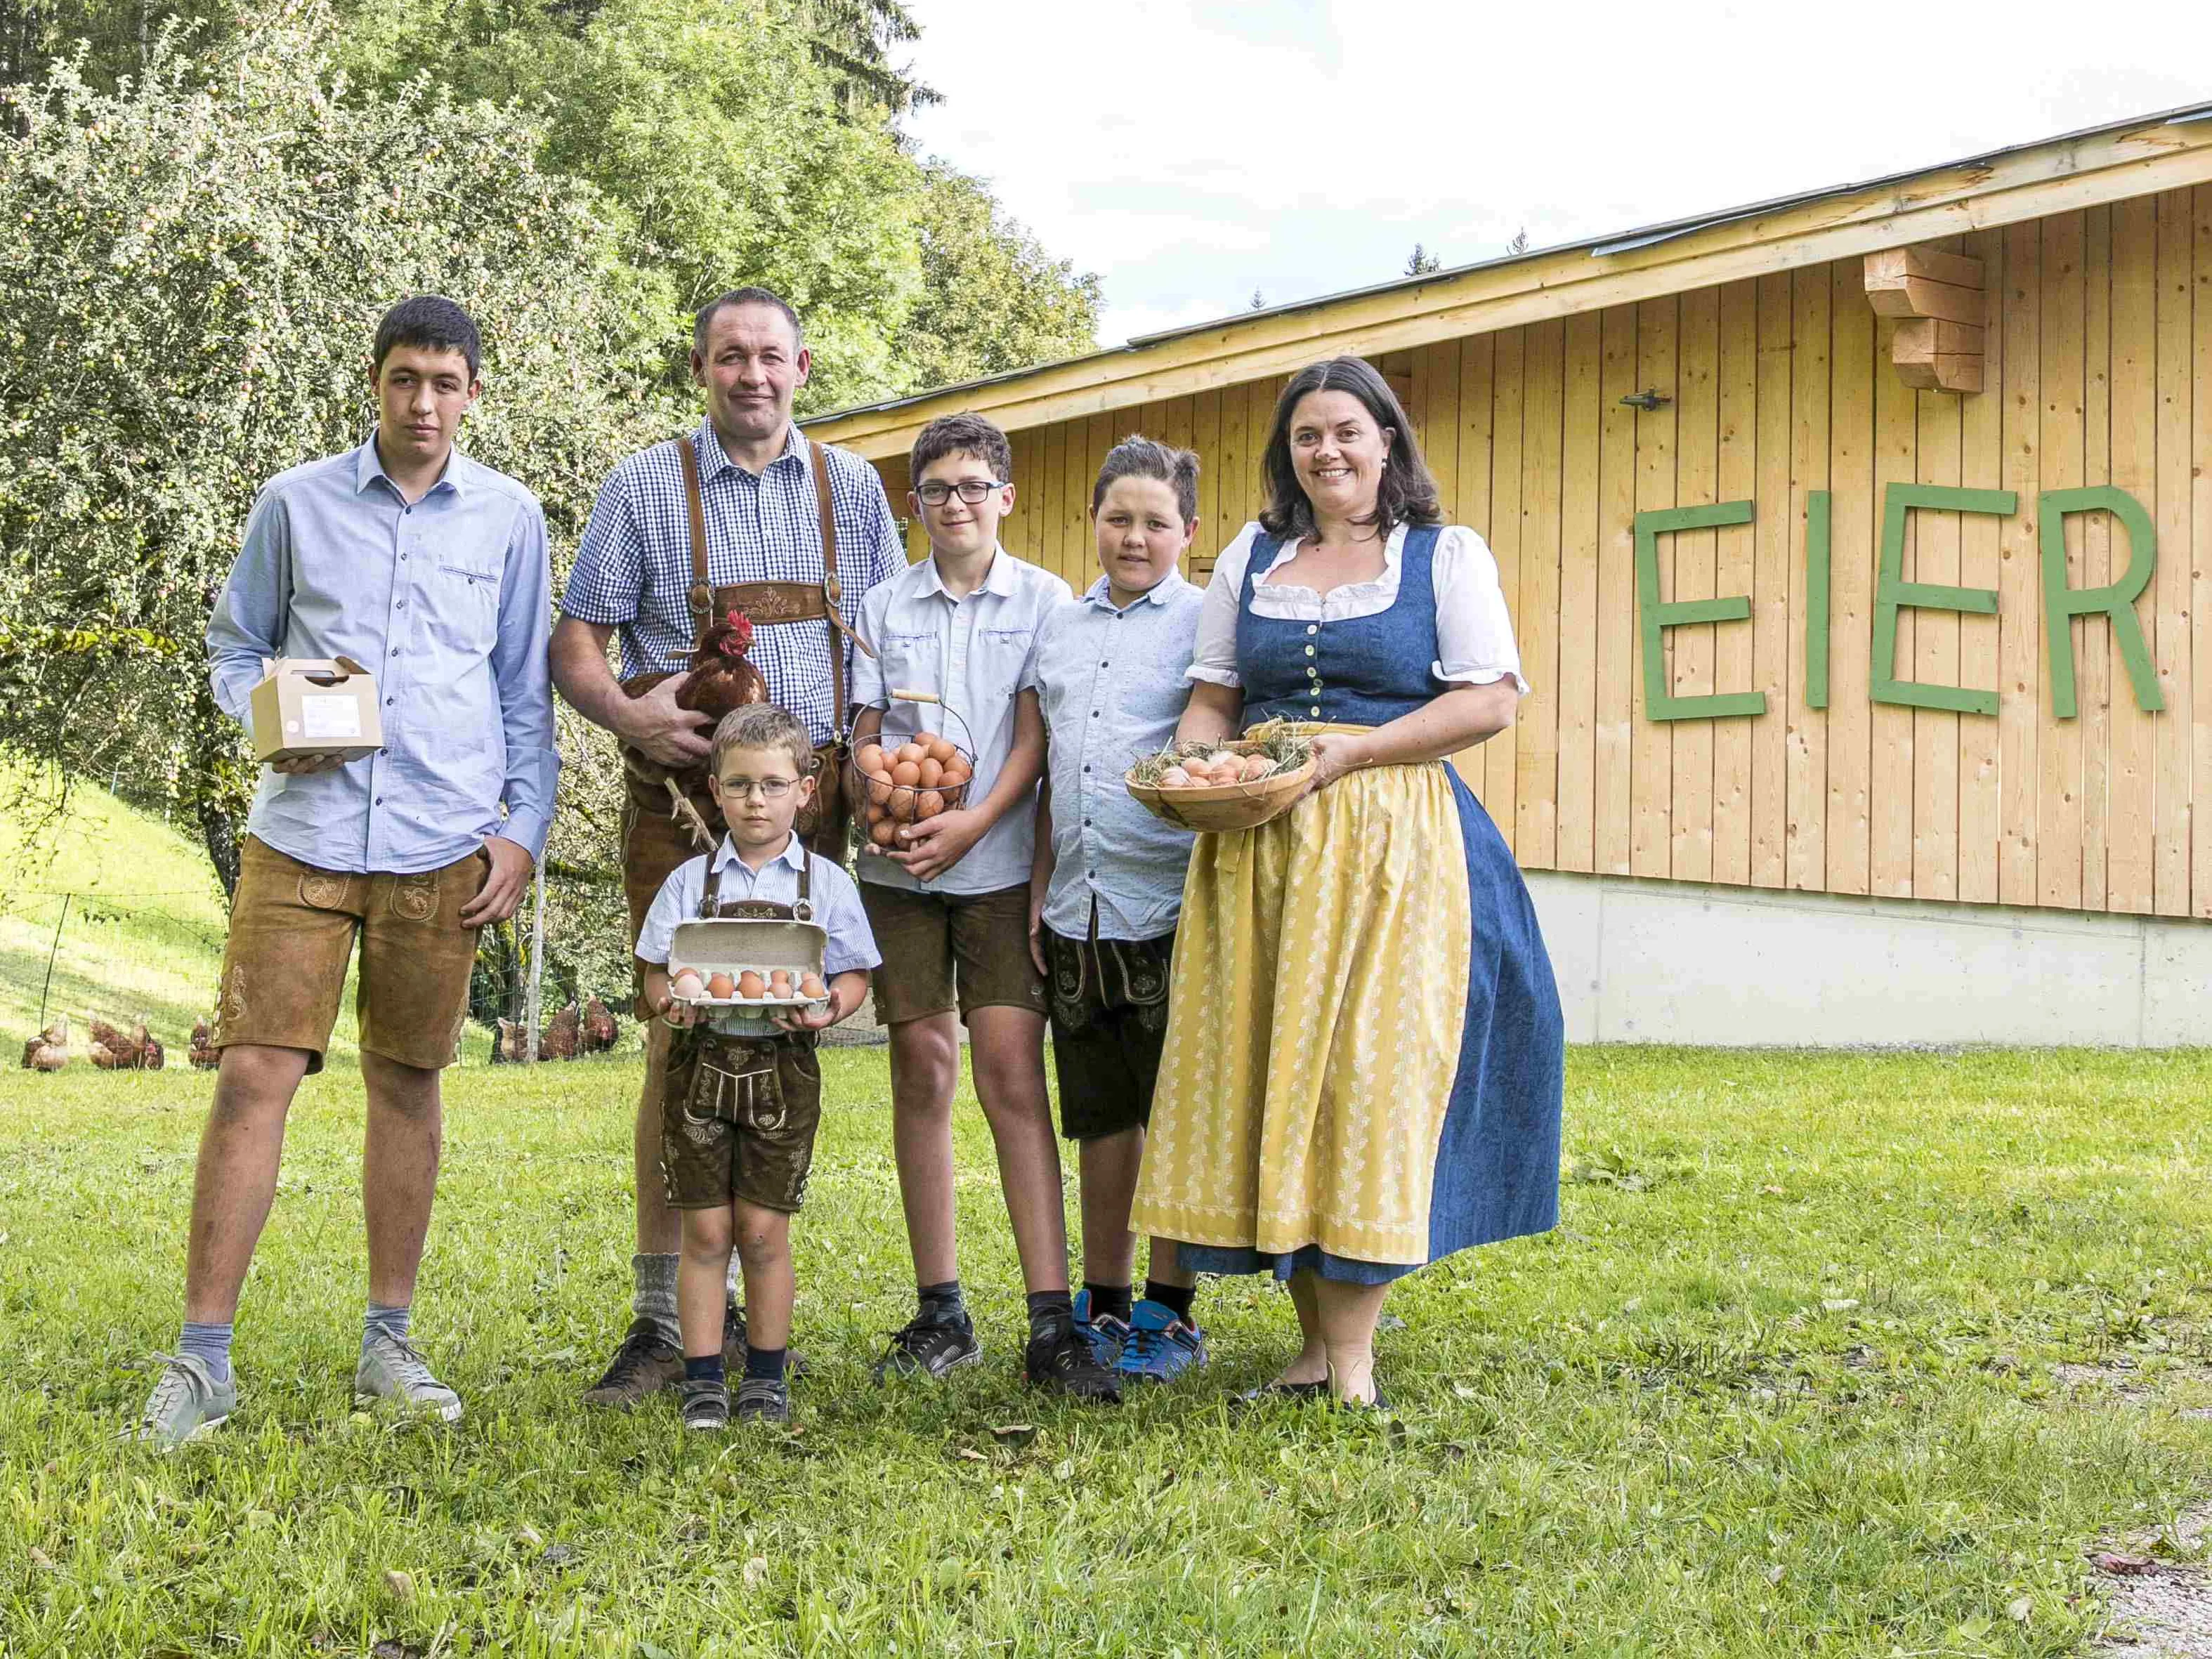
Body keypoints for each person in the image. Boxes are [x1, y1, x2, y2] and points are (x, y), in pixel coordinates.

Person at [132, 295, 558, 1448]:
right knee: (251, 1074)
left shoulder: (511, 518)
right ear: (374, 382)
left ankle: (388, 1347)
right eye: (405, 378)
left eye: (445, 382)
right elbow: (235, 646)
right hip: (303, 836)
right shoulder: (295, 502)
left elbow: (522, 690)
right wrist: (275, 713)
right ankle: (202, 1360)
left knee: (408, 1081)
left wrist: (522, 829)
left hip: (442, 841)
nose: (424, 402)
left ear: (473, 394)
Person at [1130, 356, 1566, 1410]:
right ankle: (1313, 1350)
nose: (1326, 450)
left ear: (1386, 441)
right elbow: (1215, 696)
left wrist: (1351, 754)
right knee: (1275, 1075)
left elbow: (1489, 701)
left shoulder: (1443, 554)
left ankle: (1352, 1359)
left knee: (1365, 1081)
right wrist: (1195, 769)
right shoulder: (1252, 556)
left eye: (1346, 431)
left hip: (1395, 843)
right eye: (1306, 435)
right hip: (1263, 845)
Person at [551, 287, 903, 1408]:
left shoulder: (853, 489)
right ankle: (665, 1317)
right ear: (701, 368)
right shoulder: (645, 484)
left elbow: (890, 643)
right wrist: (629, 714)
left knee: (787, 1041)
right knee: (682, 1035)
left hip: (822, 807)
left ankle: (757, 1302)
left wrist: (876, 755)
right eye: (730, 356)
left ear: (802, 367)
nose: (752, 374)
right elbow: (575, 641)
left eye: (770, 356)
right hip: (683, 807)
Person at [849, 412, 1115, 1402]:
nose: (953, 503)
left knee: (1009, 1070)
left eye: (972, 486)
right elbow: (869, 727)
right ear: (913, 503)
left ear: (1004, 495)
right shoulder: (885, 603)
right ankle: (942, 1309)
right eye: (935, 489)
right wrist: (879, 786)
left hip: (999, 865)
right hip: (902, 872)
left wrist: (973, 823)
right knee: (921, 1066)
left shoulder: (1045, 601)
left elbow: (1034, 741)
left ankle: (1051, 1317)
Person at [635, 704, 878, 1429]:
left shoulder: (826, 884)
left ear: (805, 789)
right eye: (739, 785)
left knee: (765, 1233)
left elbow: (854, 973)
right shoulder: (689, 883)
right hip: (700, 1069)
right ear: (715, 790)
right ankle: (704, 1379)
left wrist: (828, 1008)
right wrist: (670, 1003)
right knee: (707, 1233)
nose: (755, 801)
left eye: (773, 784)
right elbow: (655, 972)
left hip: (783, 1073)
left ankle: (766, 1377)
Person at [1023, 436, 1209, 1383]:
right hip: (1077, 907)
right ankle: (1101, 1301)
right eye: (1118, 518)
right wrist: (1039, 888)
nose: (1135, 537)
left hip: (1168, 903)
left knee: (1170, 1111)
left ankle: (1167, 1310)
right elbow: (1053, 770)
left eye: (1155, 522)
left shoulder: (1206, 624)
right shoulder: (1058, 626)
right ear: (1093, 519)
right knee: (1098, 1116)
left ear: (1189, 531)